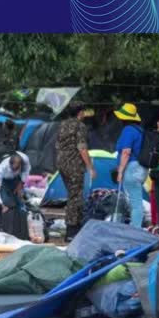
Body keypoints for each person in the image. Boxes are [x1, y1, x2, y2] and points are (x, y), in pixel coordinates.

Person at [55, 102, 97, 241]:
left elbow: (57, 145)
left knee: (73, 195)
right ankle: (71, 231)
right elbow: (82, 148)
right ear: (80, 113)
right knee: (75, 197)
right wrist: (90, 167)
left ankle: (74, 227)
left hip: (61, 164)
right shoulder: (80, 126)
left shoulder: (62, 125)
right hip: (74, 165)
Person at [114, 103, 148, 228]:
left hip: (131, 168)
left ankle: (135, 230)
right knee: (135, 201)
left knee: (135, 202)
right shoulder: (140, 131)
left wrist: (120, 171)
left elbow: (126, 152)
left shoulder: (128, 130)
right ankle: (135, 227)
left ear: (124, 119)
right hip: (141, 168)